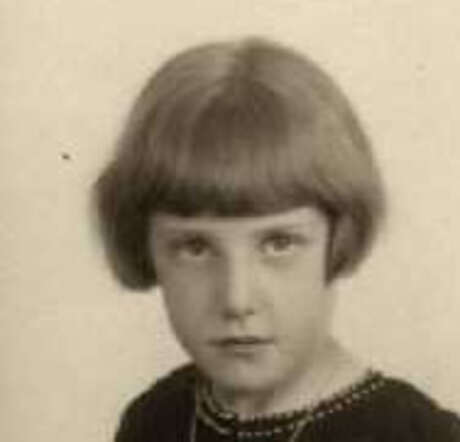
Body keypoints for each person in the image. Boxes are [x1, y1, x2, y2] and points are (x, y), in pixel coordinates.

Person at [95, 37, 460, 441]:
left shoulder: (418, 435)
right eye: (195, 248)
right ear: (144, 247)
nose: (237, 301)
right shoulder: (153, 419)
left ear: (339, 238)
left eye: (278, 243)